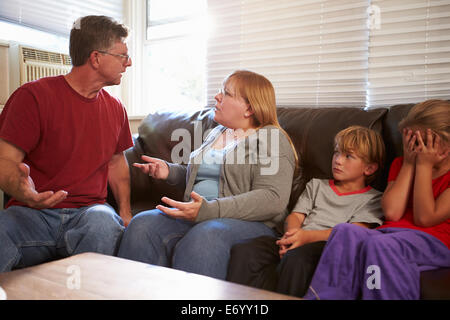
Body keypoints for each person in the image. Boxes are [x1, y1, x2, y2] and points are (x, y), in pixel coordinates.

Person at [117, 70, 297, 280]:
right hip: (200, 215)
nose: (217, 97)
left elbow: (272, 198)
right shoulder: (217, 132)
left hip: (249, 223)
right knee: (143, 224)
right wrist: (170, 172)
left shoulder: (271, 138)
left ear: (249, 108)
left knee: (206, 236)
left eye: (226, 93)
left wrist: (209, 210)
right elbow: (204, 179)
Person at [0, 15, 133, 273]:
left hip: (90, 213)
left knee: (105, 224)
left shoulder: (117, 108)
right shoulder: (33, 97)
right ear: (95, 58)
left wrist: (125, 212)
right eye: (122, 56)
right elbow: (4, 160)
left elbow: (117, 164)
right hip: (31, 212)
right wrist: (22, 190)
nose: (128, 63)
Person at [303, 99, 450, 300]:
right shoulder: (401, 164)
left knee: (381, 245)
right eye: (410, 141)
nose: (414, 148)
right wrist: (408, 164)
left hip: (436, 242)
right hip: (390, 233)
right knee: (344, 231)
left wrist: (424, 167)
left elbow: (425, 218)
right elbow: (392, 213)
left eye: (421, 142)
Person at [226, 125, 385, 297]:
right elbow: (295, 216)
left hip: (328, 247)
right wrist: (292, 235)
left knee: (297, 258)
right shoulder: (317, 185)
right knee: (245, 250)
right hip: (297, 237)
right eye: (337, 153)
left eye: (348, 156)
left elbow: (354, 233)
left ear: (369, 168)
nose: (338, 160)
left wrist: (305, 238)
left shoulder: (373, 199)